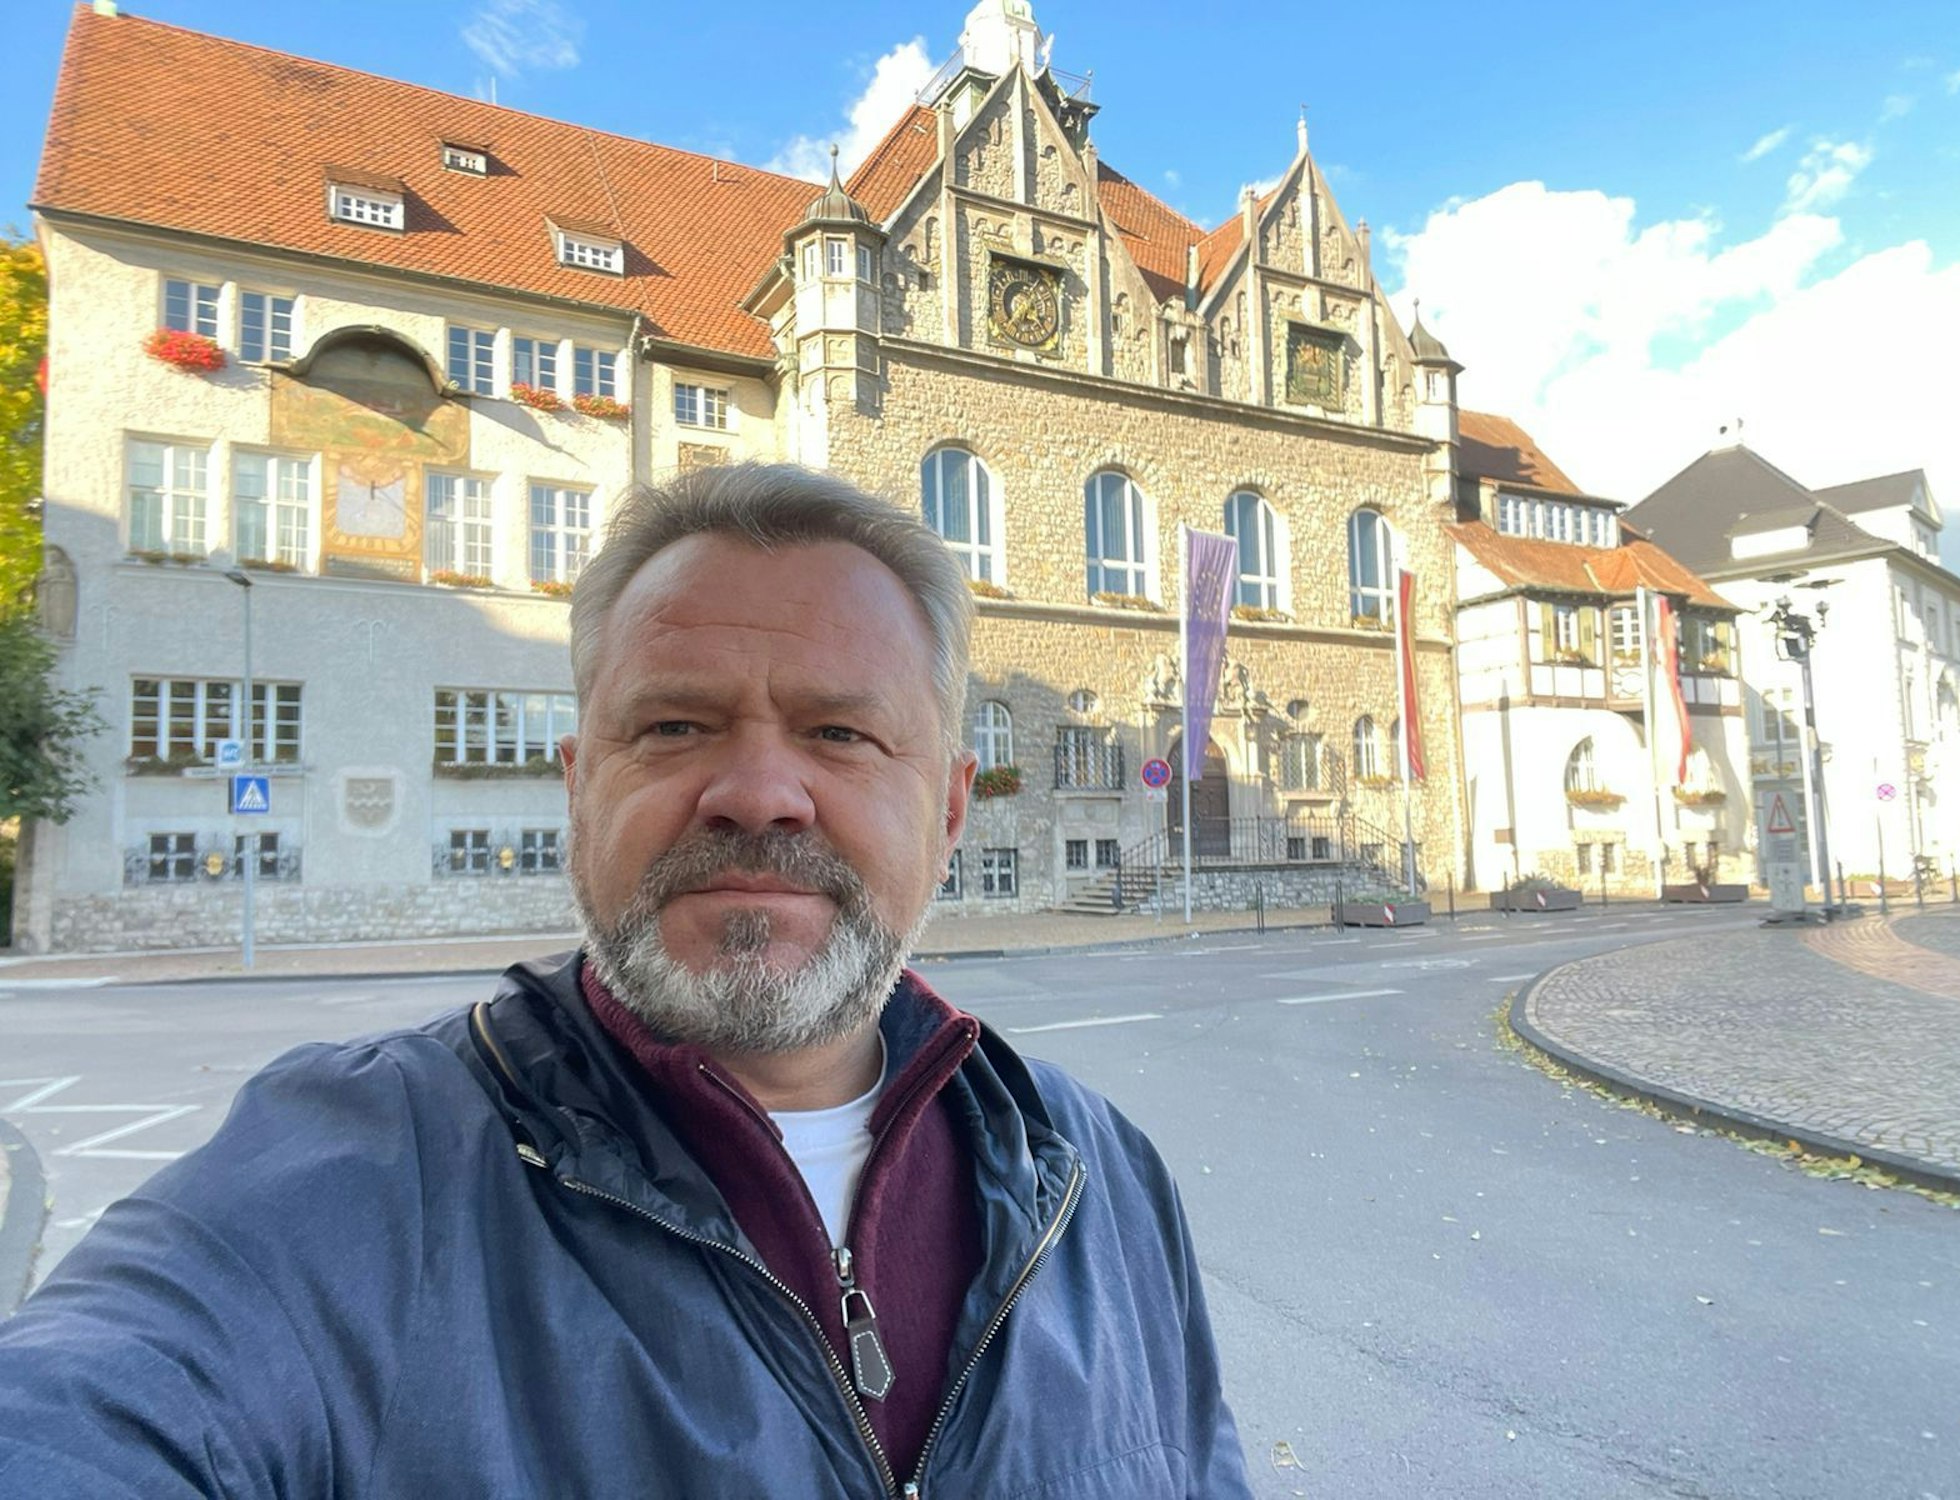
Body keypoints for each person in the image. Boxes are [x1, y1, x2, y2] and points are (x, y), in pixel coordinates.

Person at [0, 464, 1251, 1498]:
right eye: (672, 727)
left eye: (839, 733)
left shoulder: (1096, 1177)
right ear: (575, 786)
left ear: (949, 811)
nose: (757, 791)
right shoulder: (345, 1184)